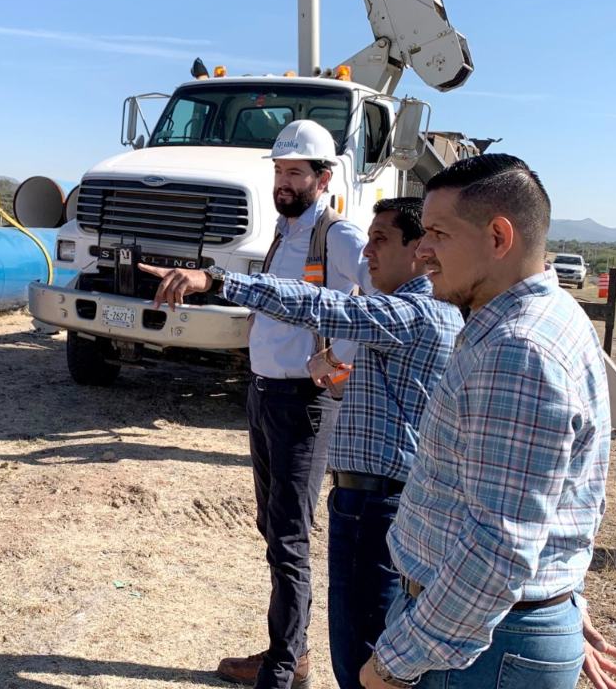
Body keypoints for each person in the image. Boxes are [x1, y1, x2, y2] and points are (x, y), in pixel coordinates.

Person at [143, 197, 463, 689]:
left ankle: (289, 662)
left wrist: (220, 280)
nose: (368, 253)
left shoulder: (410, 314)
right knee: (381, 648)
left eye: (380, 240)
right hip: (391, 496)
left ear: (418, 250)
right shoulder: (435, 314)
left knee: (364, 654)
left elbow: (317, 303)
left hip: (376, 502)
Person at [355, 155, 613, 689]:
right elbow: (568, 493)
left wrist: (393, 666)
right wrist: (557, 597)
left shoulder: (518, 349)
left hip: (477, 652)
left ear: (499, 236)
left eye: (438, 234)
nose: (422, 251)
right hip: (500, 631)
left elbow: (498, 546)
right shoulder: (551, 317)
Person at [148, 119, 367, 688]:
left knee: (290, 539)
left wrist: (337, 362)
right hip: (263, 393)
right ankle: (289, 653)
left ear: (323, 178)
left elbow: (376, 304)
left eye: (295, 172)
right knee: (274, 531)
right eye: (278, 170)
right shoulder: (283, 234)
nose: (283, 181)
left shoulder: (338, 237)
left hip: (304, 403)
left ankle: (283, 667)